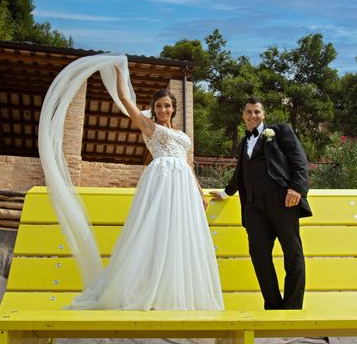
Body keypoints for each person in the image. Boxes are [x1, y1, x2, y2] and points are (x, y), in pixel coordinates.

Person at [38, 54, 223, 311]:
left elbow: (189, 165)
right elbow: (126, 101)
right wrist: (118, 73)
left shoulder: (182, 135)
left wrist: (199, 193)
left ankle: (175, 291)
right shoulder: (149, 127)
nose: (163, 110)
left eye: (167, 106)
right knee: (156, 230)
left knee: (180, 234)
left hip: (183, 184)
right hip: (161, 181)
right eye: (159, 106)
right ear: (154, 109)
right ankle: (144, 289)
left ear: (174, 108)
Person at [211, 97, 311, 310]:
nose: (253, 115)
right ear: (243, 115)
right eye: (249, 112)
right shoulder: (243, 143)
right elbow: (239, 174)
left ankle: (292, 308)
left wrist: (297, 188)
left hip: (282, 199)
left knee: (292, 252)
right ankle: (273, 305)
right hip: (253, 205)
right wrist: (225, 193)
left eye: (257, 111)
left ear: (263, 114)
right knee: (258, 254)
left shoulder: (280, 131)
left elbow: (299, 160)